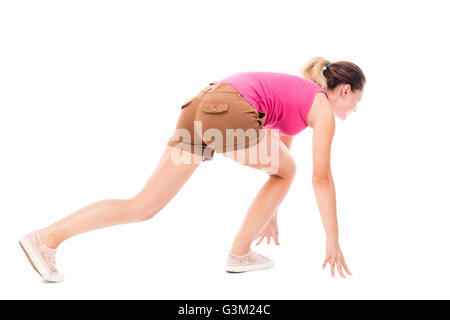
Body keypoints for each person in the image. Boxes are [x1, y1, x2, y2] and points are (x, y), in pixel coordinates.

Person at [19, 56, 366, 282]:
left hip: (201, 107)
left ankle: (46, 239)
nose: (354, 109)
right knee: (288, 171)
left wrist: (270, 214)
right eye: (356, 102)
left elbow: (275, 161)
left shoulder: (300, 100)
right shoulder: (321, 109)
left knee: (143, 206)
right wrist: (333, 239)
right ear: (345, 91)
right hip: (228, 110)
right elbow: (319, 178)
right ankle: (239, 253)